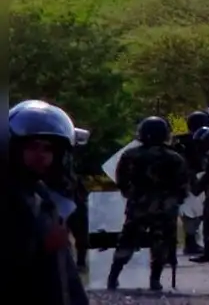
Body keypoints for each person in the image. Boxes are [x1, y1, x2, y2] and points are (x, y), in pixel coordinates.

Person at [9, 100, 90, 305]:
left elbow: (64, 273)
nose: (42, 155)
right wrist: (40, 247)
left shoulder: (42, 194)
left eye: (48, 149)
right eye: (33, 147)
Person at [108, 117, 189, 290]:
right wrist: (175, 201)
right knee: (160, 242)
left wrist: (131, 195)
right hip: (165, 207)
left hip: (138, 205)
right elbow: (183, 186)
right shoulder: (174, 157)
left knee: (127, 240)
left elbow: (121, 179)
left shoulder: (131, 155)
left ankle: (113, 276)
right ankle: (155, 280)